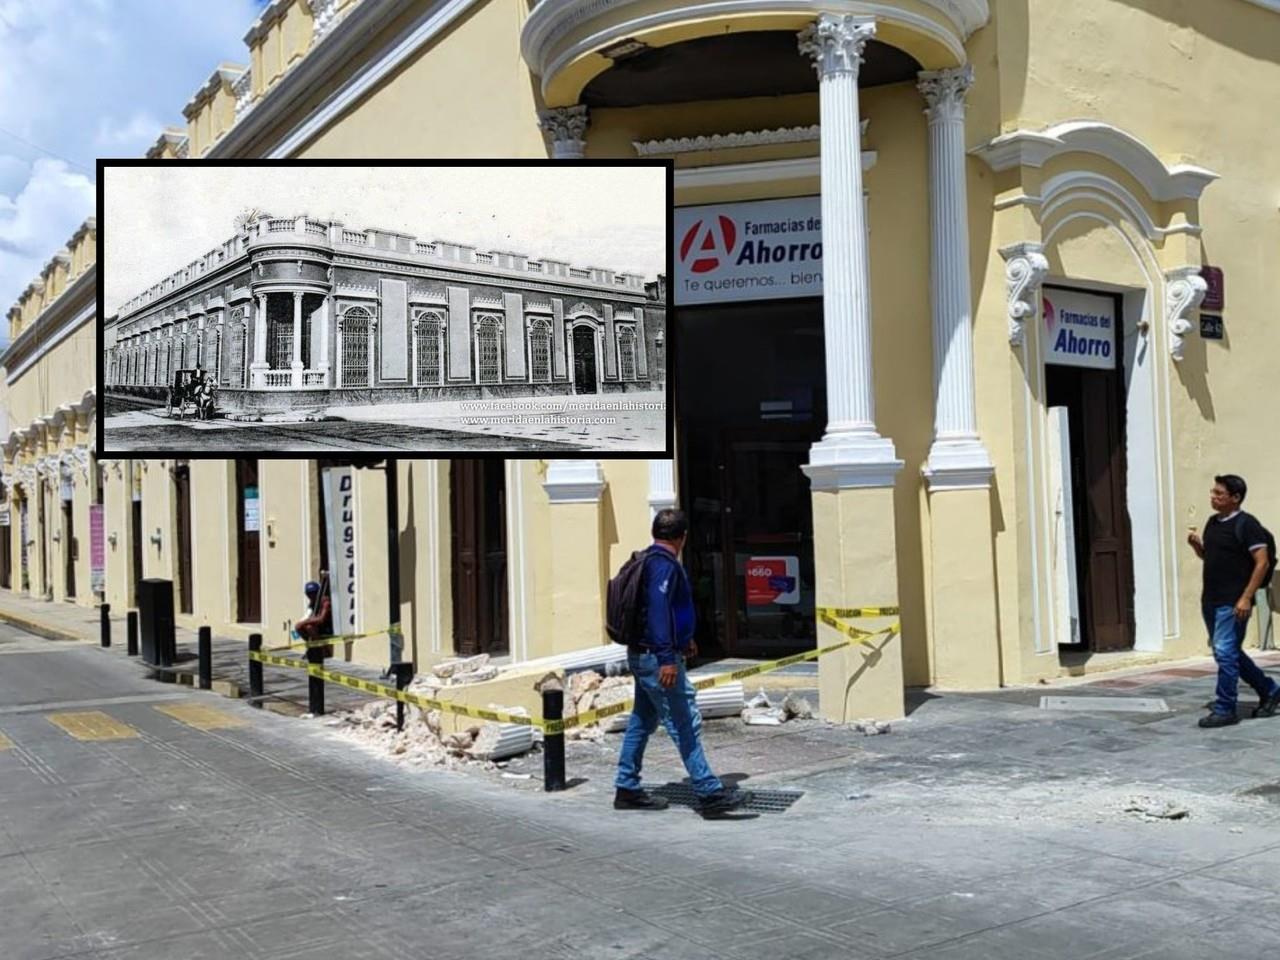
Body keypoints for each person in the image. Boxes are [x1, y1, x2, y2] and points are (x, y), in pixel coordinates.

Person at [613, 508, 748, 816]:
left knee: (642, 720)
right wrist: (666, 659)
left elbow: (665, 610)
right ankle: (709, 793)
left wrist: (684, 638)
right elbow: (660, 610)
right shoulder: (663, 566)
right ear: (682, 537)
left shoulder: (647, 560)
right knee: (684, 720)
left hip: (643, 653)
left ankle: (626, 786)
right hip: (656, 658)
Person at [1186, 474, 1280, 728]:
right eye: (1213, 492)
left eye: (1219, 494)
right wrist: (1198, 548)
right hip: (1211, 599)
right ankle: (1270, 689)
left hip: (1235, 600)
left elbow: (1262, 562)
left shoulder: (1247, 524)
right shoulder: (1213, 522)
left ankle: (1226, 707)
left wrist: (1246, 598)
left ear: (1235, 498)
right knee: (1226, 652)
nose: (1213, 497)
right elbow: (1215, 558)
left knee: (1226, 653)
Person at [294, 575, 334, 656]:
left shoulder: (325, 602)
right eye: (309, 594)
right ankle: (313, 646)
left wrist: (305, 622)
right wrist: (301, 623)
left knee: (309, 627)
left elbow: (321, 619)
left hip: (327, 627)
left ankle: (323, 649)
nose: (311, 595)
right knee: (298, 627)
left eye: (314, 593)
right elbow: (308, 614)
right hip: (318, 626)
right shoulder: (313, 602)